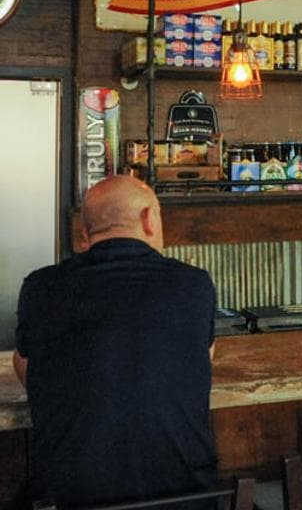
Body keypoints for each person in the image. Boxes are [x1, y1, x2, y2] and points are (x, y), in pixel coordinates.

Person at [13, 175, 218, 507]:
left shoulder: (40, 287)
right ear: (149, 219)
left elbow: (28, 367)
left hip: (68, 500)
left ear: (84, 234)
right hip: (183, 499)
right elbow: (201, 360)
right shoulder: (193, 285)